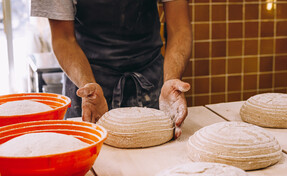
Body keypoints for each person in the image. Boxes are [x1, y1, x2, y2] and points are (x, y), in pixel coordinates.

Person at [30, 0, 192, 138]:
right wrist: (87, 84)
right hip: (88, 83)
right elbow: (63, 38)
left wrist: (171, 78)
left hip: (150, 81)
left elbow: (179, 29)